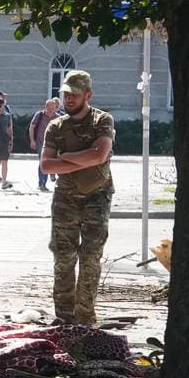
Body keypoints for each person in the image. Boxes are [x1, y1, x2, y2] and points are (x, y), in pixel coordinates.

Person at [40, 70, 116, 326]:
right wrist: (82, 157)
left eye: (74, 95)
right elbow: (46, 166)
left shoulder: (101, 121)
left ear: (88, 95)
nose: (68, 99)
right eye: (65, 95)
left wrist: (65, 158)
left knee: (91, 257)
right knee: (63, 258)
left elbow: (99, 156)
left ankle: (84, 318)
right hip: (65, 199)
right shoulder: (56, 126)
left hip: (97, 197)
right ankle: (64, 318)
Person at [30, 97, 60, 193]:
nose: (51, 110)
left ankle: (44, 182)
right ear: (45, 107)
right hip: (40, 142)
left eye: (53, 108)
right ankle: (41, 183)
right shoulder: (39, 115)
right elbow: (32, 127)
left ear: (56, 108)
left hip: (52, 144)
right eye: (49, 108)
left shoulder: (58, 117)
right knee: (43, 161)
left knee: (48, 162)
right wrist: (32, 140)